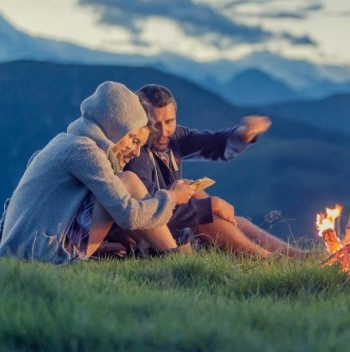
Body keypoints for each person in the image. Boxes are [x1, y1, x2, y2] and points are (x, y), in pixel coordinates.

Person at [0, 81, 196, 263]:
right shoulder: (84, 150)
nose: (136, 152)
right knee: (127, 181)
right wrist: (171, 198)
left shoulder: (65, 142)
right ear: (115, 127)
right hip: (43, 253)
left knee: (123, 184)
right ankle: (178, 261)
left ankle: (168, 255)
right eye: (133, 140)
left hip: (27, 246)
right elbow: (128, 215)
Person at [122, 84, 306, 258]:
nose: (163, 131)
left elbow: (211, 144)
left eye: (169, 122)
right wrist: (211, 205)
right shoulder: (135, 155)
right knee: (206, 216)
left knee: (232, 221)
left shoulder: (174, 138)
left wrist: (243, 134)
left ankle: (298, 256)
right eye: (155, 124)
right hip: (152, 241)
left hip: (174, 227)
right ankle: (271, 261)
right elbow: (149, 212)